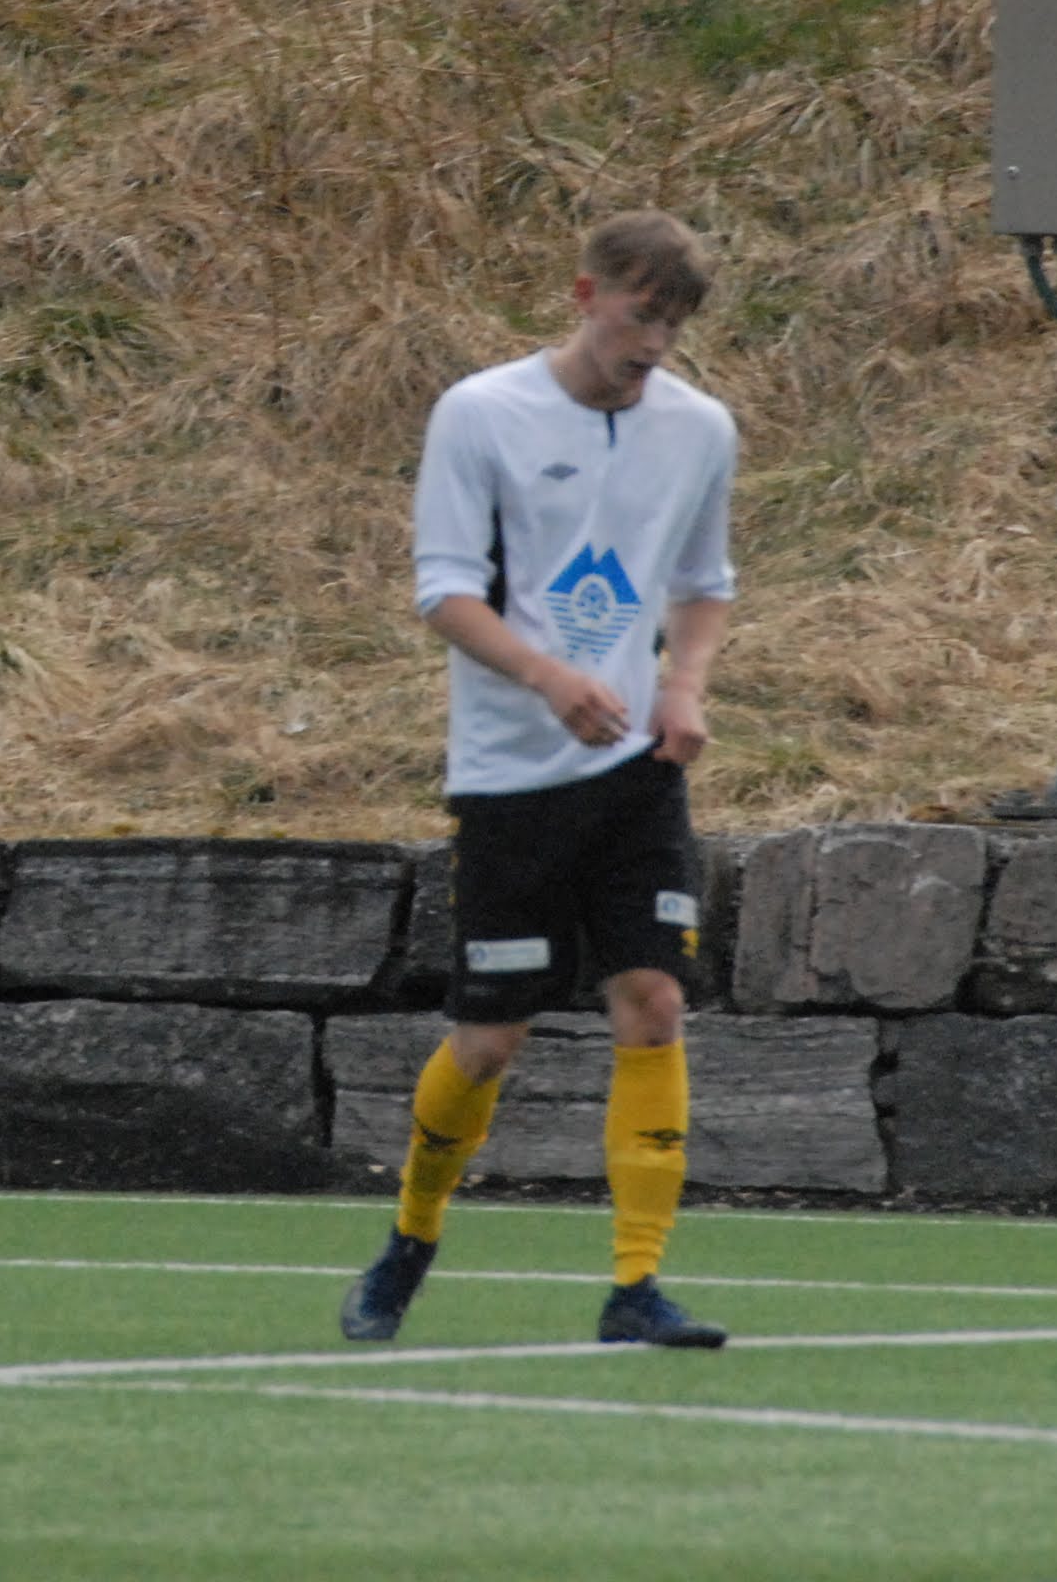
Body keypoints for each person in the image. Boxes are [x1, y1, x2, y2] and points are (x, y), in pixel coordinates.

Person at [343, 210, 739, 1348]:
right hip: (509, 776)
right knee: (490, 1042)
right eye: (639, 316)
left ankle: (635, 1286)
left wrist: (683, 685)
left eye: (672, 327)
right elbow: (443, 591)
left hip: (634, 770)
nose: (652, 345)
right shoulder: (481, 413)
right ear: (584, 295)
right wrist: (548, 677)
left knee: (653, 1003)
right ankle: (409, 1238)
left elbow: (703, 582)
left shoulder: (699, 428)